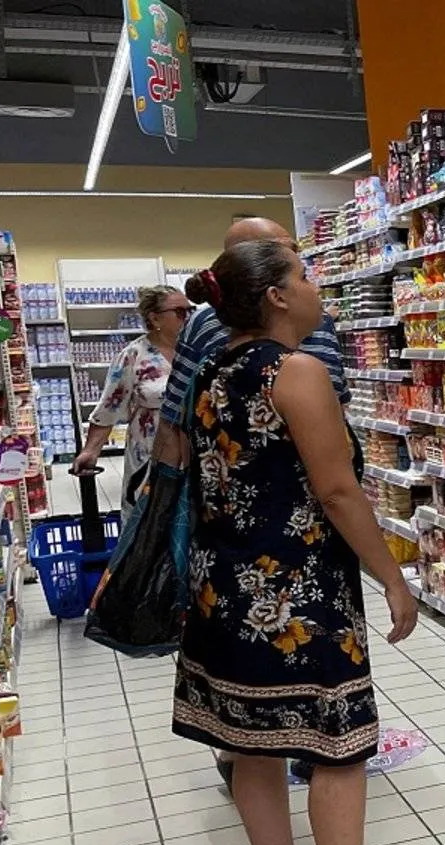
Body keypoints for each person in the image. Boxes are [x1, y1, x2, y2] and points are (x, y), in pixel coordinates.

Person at [175, 240, 442, 845]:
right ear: (276, 297)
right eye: (303, 275)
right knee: (338, 743)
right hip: (295, 592)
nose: (314, 285)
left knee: (249, 743)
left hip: (219, 591)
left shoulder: (209, 371)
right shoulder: (296, 372)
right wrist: (391, 576)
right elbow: (336, 490)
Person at [149, 217, 350, 795]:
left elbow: (339, 402)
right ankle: (280, 745)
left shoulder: (312, 327)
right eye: (288, 257)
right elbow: (176, 420)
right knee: (286, 654)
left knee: (275, 659)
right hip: (278, 530)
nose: (300, 265)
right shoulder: (238, 346)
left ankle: (267, 748)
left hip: (277, 532)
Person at [72, 285, 190, 517]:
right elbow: (110, 406)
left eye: (190, 310)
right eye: (179, 311)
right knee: (148, 516)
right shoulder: (134, 355)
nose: (187, 317)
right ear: (154, 318)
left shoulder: (196, 351)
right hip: (150, 448)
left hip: (192, 449)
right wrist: (91, 451)